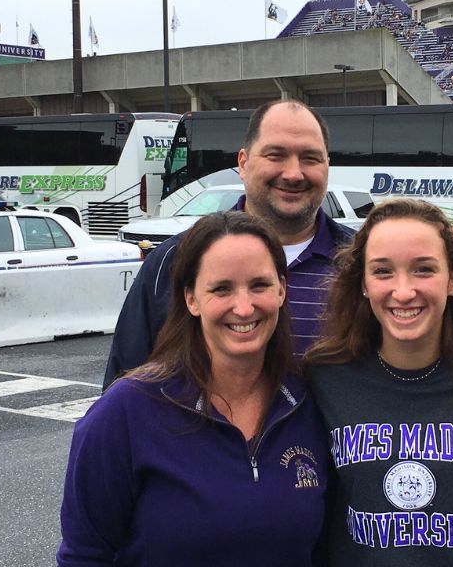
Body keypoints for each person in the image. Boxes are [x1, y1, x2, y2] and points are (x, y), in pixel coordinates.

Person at [59, 212, 331, 566]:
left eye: (260, 285)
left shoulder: (307, 406)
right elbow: (84, 556)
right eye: (221, 289)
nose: (244, 306)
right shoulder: (125, 411)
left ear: (282, 289)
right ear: (191, 299)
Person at [304, 199, 453, 566]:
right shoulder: (326, 374)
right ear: (362, 282)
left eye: (424, 269)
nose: (404, 291)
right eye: (383, 272)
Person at [103, 99, 353, 390]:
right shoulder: (173, 262)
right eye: (276, 155)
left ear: (327, 166)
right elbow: (123, 390)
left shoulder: (364, 264)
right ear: (243, 164)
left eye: (310, 158)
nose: (293, 173)